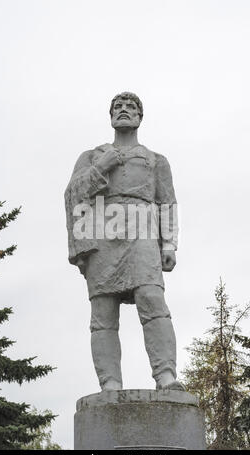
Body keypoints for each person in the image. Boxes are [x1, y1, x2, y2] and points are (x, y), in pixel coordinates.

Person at [65, 92, 185, 391]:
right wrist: (102, 166)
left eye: (130, 107)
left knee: (152, 298)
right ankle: (110, 383)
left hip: (143, 230)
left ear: (139, 117)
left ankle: (166, 376)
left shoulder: (157, 160)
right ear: (110, 116)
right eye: (117, 107)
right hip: (103, 234)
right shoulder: (92, 155)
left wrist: (168, 244)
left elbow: (167, 202)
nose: (123, 110)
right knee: (103, 312)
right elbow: (73, 193)